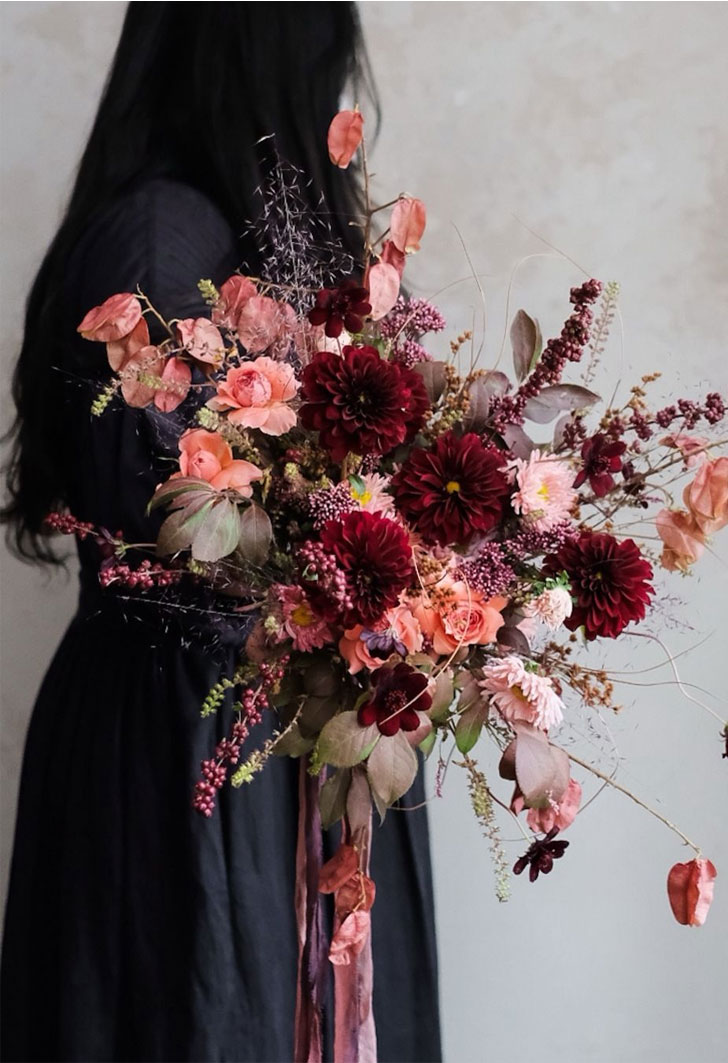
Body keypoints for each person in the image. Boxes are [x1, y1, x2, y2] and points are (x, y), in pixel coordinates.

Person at [0, 5, 441, 1061]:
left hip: (275, 745)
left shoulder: (250, 232)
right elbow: (192, 541)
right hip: (189, 747)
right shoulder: (158, 237)